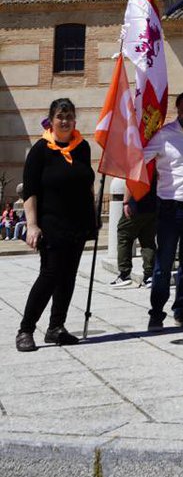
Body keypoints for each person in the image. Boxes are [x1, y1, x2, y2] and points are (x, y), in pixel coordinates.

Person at [16, 98, 96, 352]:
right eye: (60, 116)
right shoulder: (41, 149)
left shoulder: (82, 148)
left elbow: (87, 184)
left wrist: (91, 220)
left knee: (68, 277)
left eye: (69, 116)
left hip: (77, 224)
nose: (65, 121)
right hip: (51, 223)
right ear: (51, 120)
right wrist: (32, 225)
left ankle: (56, 327)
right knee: (50, 275)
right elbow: (30, 190)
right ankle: (26, 330)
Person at [144, 91, 183, 330]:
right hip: (170, 208)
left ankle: (182, 310)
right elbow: (140, 158)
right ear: (177, 110)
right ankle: (156, 313)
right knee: (164, 263)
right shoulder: (163, 136)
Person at [110, 174, 157, 288]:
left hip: (136, 203)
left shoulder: (137, 158)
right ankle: (149, 276)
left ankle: (124, 274)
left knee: (124, 235)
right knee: (148, 241)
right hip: (153, 204)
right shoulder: (156, 158)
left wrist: (126, 202)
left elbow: (131, 181)